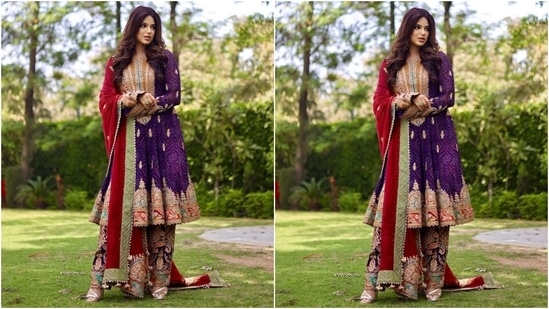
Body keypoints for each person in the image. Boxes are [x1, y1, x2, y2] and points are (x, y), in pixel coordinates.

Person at [360, 7, 478, 303]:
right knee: (395, 212)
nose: (423, 32)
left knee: (435, 213)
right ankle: (397, 282)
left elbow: (448, 97)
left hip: (436, 143)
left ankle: (433, 282)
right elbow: (379, 101)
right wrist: (402, 101)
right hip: (402, 145)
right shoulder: (390, 64)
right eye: (418, 27)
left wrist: (422, 105)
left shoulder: (439, 60)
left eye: (427, 27)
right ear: (407, 30)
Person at [86, 6, 202, 302]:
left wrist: (148, 105)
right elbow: (105, 99)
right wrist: (129, 99)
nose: (149, 31)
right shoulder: (116, 63)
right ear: (133, 28)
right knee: (119, 212)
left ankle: (159, 280)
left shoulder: (165, 57)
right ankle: (115, 280)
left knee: (162, 212)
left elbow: (175, 95)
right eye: (144, 26)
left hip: (162, 142)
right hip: (129, 145)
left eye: (153, 26)